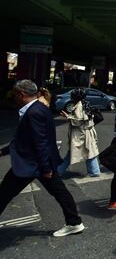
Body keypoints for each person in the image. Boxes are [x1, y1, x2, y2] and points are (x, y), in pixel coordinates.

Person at [0, 80, 84, 237]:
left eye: (14, 94)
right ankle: (74, 222)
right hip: (40, 162)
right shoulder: (39, 108)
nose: (13, 97)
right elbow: (25, 139)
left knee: (4, 193)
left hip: (33, 163)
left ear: (21, 94)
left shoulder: (33, 112)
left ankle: (75, 222)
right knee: (59, 192)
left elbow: (40, 142)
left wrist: (45, 169)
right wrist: (4, 151)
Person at [57, 88, 101, 177]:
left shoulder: (79, 106)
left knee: (74, 152)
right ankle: (94, 171)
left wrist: (67, 116)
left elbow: (78, 121)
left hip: (82, 133)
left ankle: (59, 170)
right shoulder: (85, 103)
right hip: (87, 132)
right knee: (90, 152)